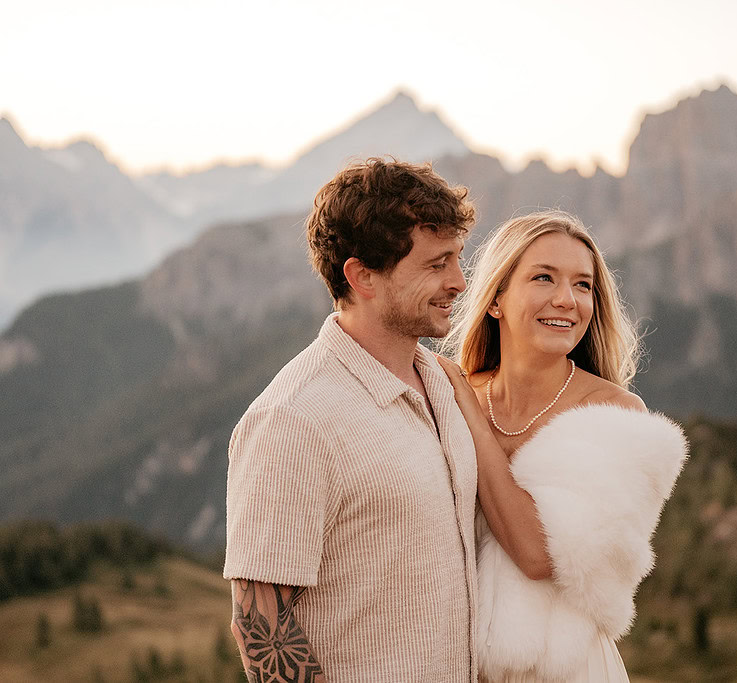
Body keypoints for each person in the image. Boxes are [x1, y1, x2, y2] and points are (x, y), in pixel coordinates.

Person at [223, 158, 480, 682]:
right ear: (362, 276)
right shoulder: (292, 420)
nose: (458, 281)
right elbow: (260, 629)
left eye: (457, 258)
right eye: (436, 264)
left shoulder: (443, 382)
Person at [436, 210, 688, 682]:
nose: (567, 300)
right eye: (544, 278)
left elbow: (539, 556)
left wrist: (468, 416)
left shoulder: (616, 415)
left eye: (583, 285)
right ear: (495, 299)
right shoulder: (452, 394)